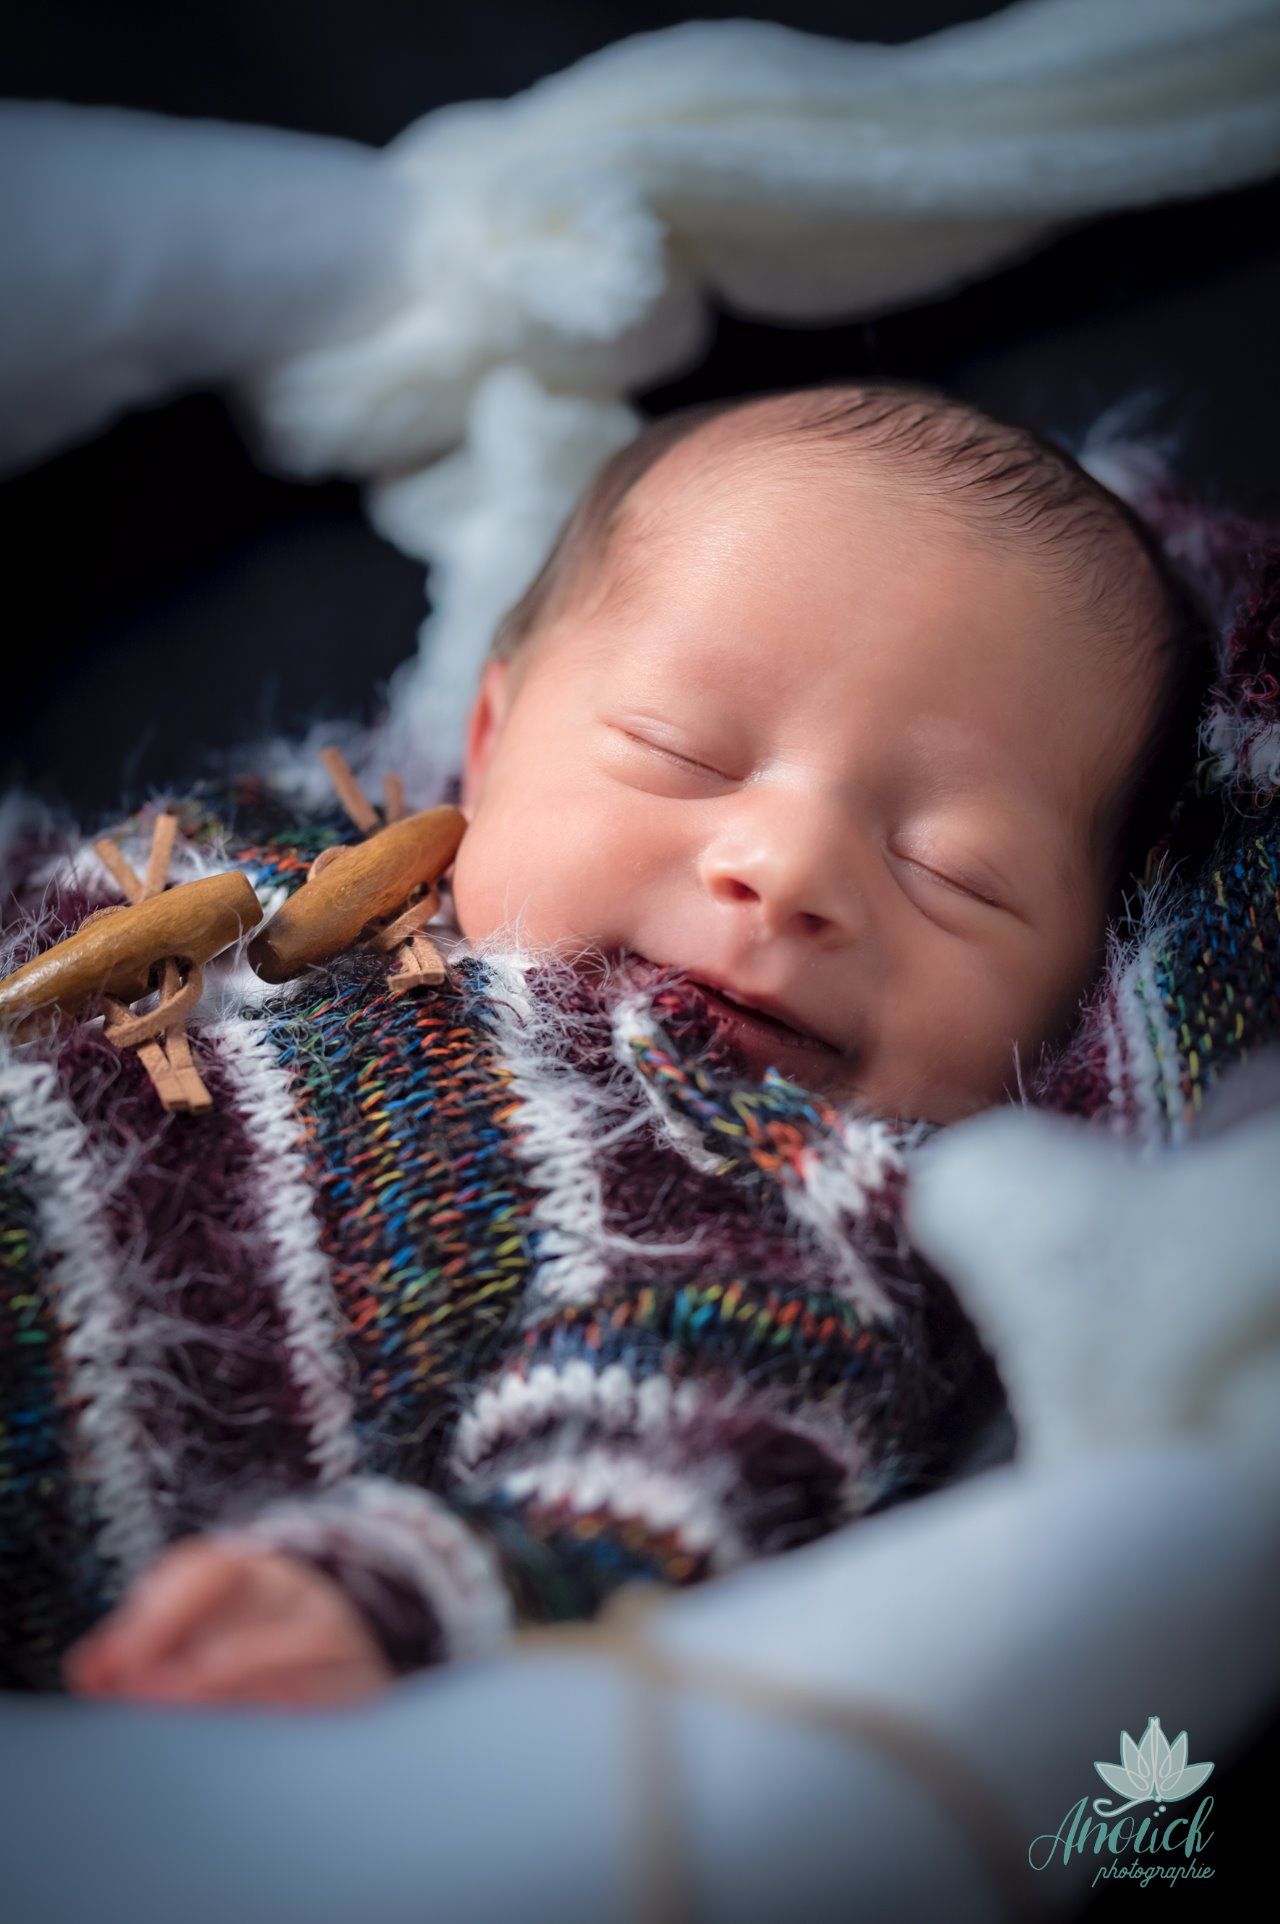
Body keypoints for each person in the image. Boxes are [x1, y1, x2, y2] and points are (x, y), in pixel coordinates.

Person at [6, 378, 1251, 1710]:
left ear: (1085, 992)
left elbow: (677, 1475)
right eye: (683, 751)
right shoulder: (314, 833)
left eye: (958, 871)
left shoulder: (785, 1210)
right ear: (486, 745)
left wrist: (400, 1595)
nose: (785, 869)